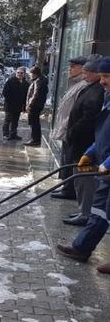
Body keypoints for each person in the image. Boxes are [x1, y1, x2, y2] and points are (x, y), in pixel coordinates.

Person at [57, 56, 110, 276]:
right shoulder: (108, 99)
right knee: (98, 211)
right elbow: (104, 135)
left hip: (108, 165)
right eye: (102, 76)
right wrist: (90, 152)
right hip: (106, 168)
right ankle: (81, 248)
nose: (102, 81)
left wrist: (107, 162)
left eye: (106, 76)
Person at [62, 57, 104, 225]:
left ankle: (86, 213)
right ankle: (83, 210)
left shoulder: (97, 92)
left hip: (84, 143)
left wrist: (72, 132)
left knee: (85, 180)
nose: (84, 75)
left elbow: (89, 119)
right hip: (81, 143)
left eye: (87, 73)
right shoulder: (91, 88)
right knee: (80, 179)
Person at [49, 56, 90, 199]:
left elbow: (75, 111)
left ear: (82, 68)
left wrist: (67, 127)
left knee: (70, 159)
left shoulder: (83, 86)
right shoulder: (75, 84)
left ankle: (69, 189)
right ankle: (66, 186)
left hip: (70, 128)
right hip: (66, 128)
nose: (69, 69)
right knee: (66, 158)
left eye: (73, 67)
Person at [1, 67, 29, 140]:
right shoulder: (10, 81)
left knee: (15, 121)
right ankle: (6, 134)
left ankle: (13, 134)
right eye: (18, 72)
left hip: (18, 105)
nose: (19, 74)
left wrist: (24, 105)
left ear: (24, 74)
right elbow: (5, 92)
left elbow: (26, 95)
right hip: (10, 104)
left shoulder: (25, 84)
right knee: (8, 120)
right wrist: (10, 100)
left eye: (21, 73)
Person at [24, 66, 49, 147]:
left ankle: (35, 139)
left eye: (31, 74)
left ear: (34, 74)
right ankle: (35, 139)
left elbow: (35, 94)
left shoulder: (38, 81)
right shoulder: (40, 80)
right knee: (35, 122)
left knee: (33, 122)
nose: (30, 75)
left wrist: (30, 104)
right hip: (37, 105)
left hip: (35, 105)